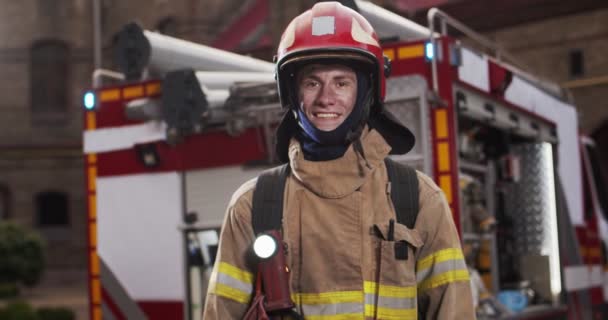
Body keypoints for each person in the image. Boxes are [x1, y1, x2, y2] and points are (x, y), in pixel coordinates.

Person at [203, 2, 475, 319]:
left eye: (342, 82)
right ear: (291, 93)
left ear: (366, 92)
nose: (326, 98)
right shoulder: (252, 205)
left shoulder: (419, 200)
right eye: (312, 82)